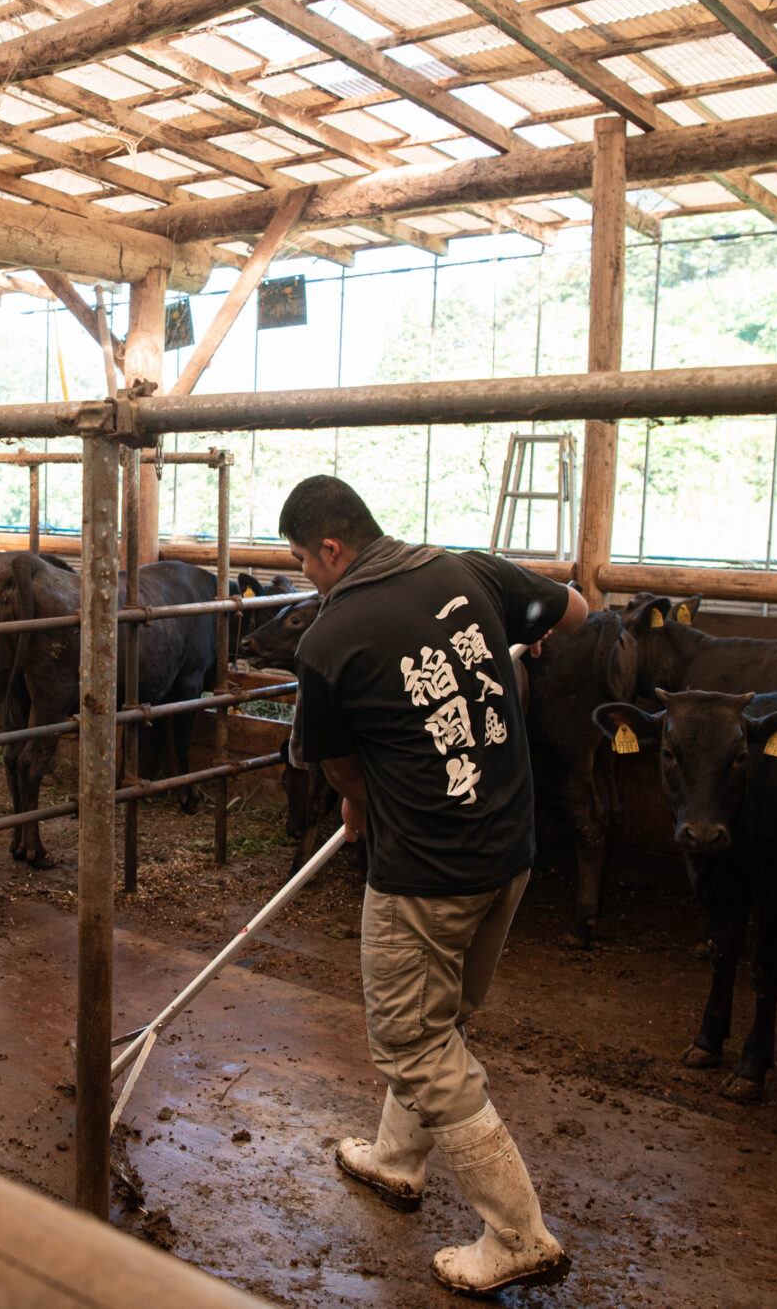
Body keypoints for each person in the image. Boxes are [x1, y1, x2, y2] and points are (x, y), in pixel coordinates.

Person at [281, 474, 587, 1296]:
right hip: (509, 848)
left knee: (412, 1039)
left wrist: (357, 799)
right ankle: (397, 1158)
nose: (306, 573)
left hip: (426, 872)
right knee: (443, 1015)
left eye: (303, 559)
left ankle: (518, 1231)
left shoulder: (332, 637)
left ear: (332, 549)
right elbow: (577, 613)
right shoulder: (467, 569)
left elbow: (333, 759)